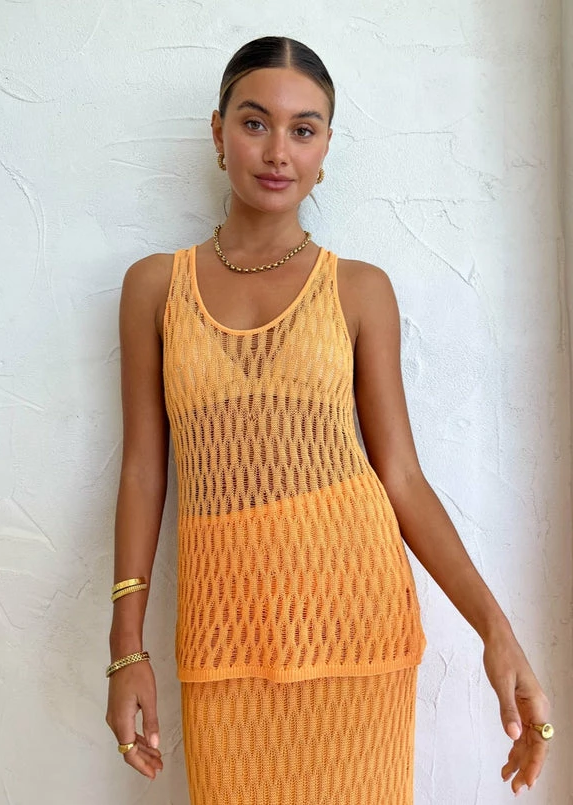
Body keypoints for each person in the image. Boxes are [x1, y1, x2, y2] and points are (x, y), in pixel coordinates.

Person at [105, 35, 552, 803]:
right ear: (218, 133)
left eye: (303, 129)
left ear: (325, 148)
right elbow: (145, 471)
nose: (278, 150)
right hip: (223, 631)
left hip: (354, 619)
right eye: (255, 122)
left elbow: (400, 476)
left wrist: (497, 632)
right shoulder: (155, 287)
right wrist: (125, 648)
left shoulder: (358, 289)